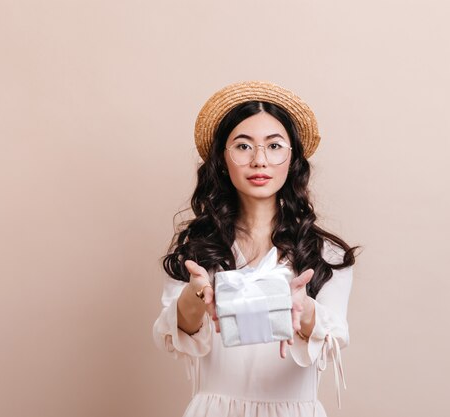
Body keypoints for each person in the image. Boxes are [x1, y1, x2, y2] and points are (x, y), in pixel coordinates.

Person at [153, 81, 358, 417]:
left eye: (274, 146)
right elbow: (176, 332)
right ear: (222, 158)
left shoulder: (327, 255)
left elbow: (334, 339)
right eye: (243, 146)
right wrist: (196, 294)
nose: (259, 160)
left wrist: (302, 309)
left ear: (292, 160)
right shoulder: (197, 249)